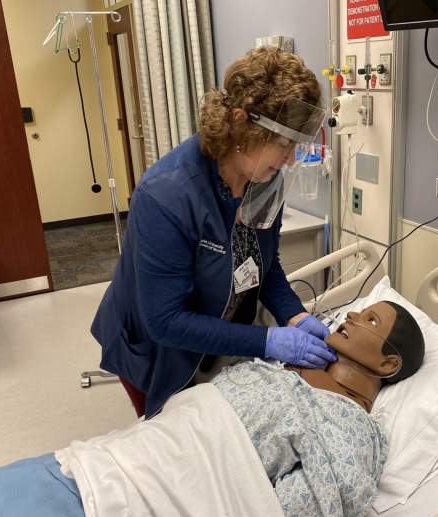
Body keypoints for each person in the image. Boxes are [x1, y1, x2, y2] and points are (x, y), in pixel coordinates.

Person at [91, 47, 336, 419]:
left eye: (296, 147)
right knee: (169, 436)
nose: (289, 159)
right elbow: (167, 321)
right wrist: (267, 340)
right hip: (159, 344)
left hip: (218, 338)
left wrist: (294, 316)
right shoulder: (166, 196)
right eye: (283, 144)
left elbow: (264, 266)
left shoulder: (264, 179)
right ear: (239, 122)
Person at [211, 300, 426, 517]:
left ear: (388, 363)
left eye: (371, 320)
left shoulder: (351, 429)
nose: (352, 314)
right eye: (360, 312)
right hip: (181, 421)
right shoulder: (289, 357)